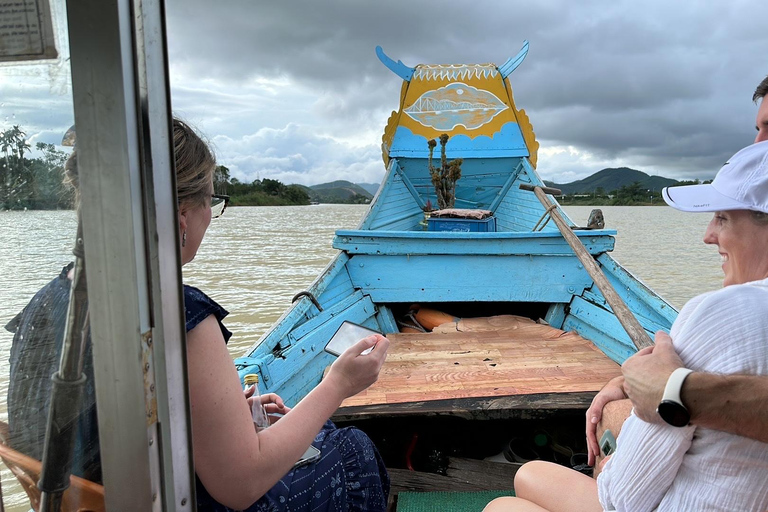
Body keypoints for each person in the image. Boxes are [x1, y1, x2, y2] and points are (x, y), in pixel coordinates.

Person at [5, 119, 391, 511]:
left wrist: (206, 419)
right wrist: (337, 384)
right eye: (212, 201)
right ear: (181, 215)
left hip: (102, 498)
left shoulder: (47, 303)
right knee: (350, 447)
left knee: (314, 431)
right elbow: (240, 486)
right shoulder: (177, 313)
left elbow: (101, 428)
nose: (212, 215)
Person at [484, 141, 768, 511]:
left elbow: (624, 500)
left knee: (503, 508)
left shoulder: (723, 311)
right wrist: (626, 388)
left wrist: (609, 452)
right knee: (529, 474)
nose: (708, 235)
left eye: (723, 218)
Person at [585, 74, 768, 472]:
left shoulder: (723, 309)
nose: (758, 148)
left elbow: (629, 496)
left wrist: (674, 392)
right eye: (759, 130)